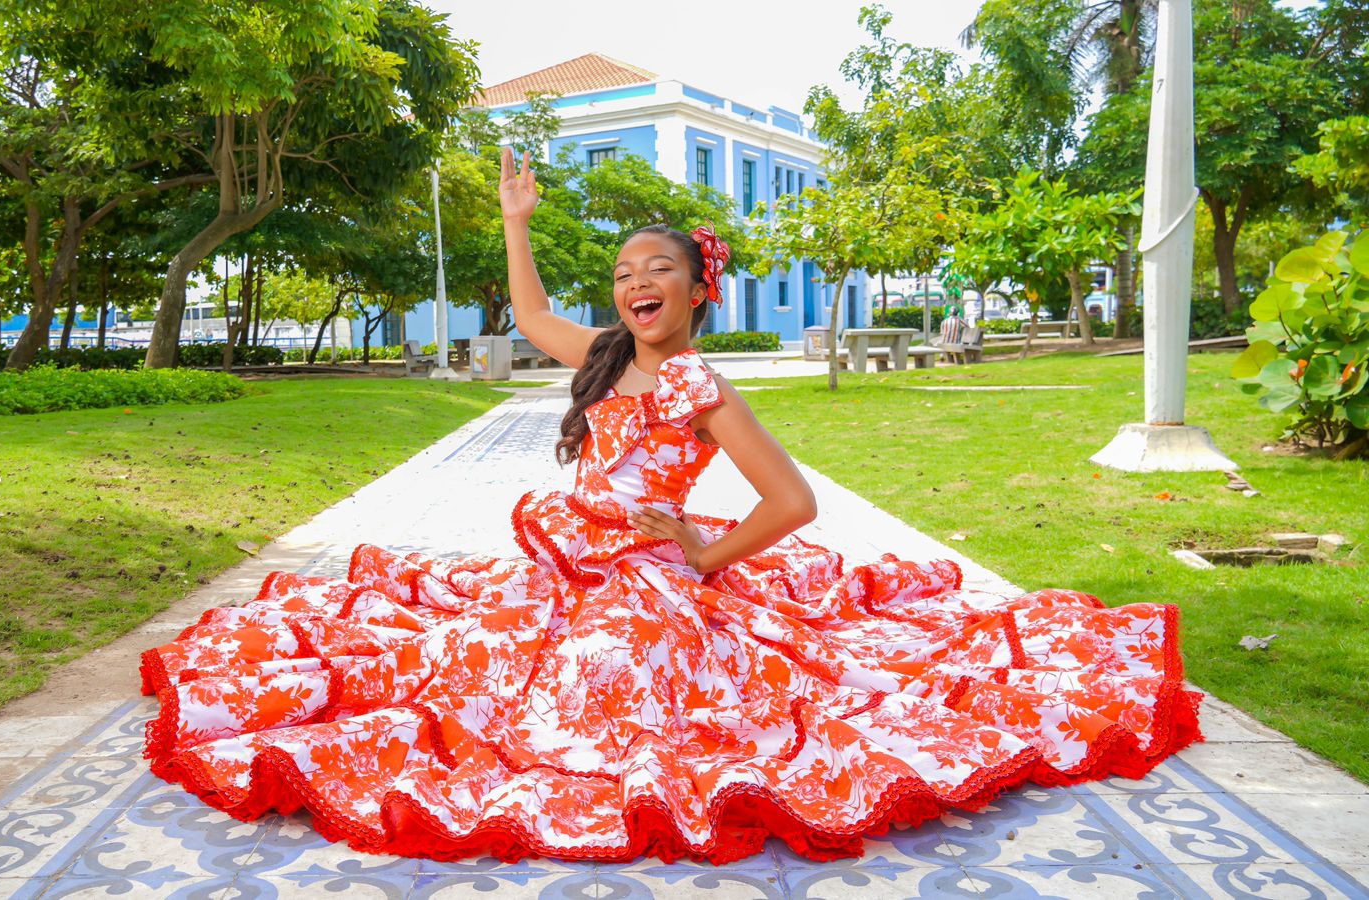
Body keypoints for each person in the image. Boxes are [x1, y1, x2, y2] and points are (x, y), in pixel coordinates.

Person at [137, 147, 1201, 865]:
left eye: (658, 270)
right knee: (458, 655)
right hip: (564, 562)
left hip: (646, 574)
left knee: (599, 687)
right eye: (623, 271)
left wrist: (701, 552)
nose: (635, 283)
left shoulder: (699, 386)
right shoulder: (603, 356)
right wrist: (516, 219)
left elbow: (793, 501)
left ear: (698, 291)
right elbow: (526, 309)